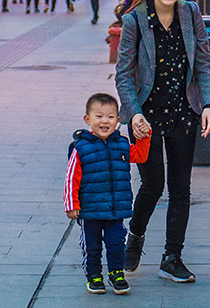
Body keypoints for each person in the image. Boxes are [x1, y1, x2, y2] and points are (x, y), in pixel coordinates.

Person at [115, 0, 210, 283]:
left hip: (184, 113)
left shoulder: (191, 13)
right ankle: (136, 235)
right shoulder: (135, 20)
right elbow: (124, 75)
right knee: (153, 184)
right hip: (146, 117)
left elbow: (203, 63)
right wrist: (132, 115)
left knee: (180, 188)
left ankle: (172, 256)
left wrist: (209, 105)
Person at [65, 93, 151, 295]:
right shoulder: (81, 148)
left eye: (111, 117)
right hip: (90, 210)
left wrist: (145, 136)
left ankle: (117, 274)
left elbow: (140, 155)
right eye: (99, 116)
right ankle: (94, 276)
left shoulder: (121, 144)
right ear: (87, 120)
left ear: (118, 120)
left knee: (116, 244)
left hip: (115, 209)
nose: (105, 121)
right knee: (92, 247)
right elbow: (71, 178)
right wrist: (71, 204)